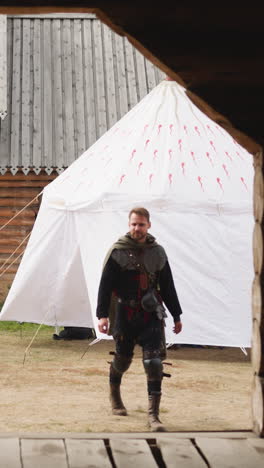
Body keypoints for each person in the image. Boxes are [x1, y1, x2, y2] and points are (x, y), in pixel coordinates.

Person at [96, 207, 183, 432]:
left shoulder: (158, 252)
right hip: (125, 315)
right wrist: (102, 315)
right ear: (129, 224)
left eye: (141, 224)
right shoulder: (118, 251)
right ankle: (115, 394)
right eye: (134, 224)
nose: (137, 228)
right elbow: (105, 286)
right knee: (123, 361)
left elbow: (168, 285)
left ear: (149, 225)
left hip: (151, 316)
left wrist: (176, 314)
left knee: (154, 363)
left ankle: (153, 417)